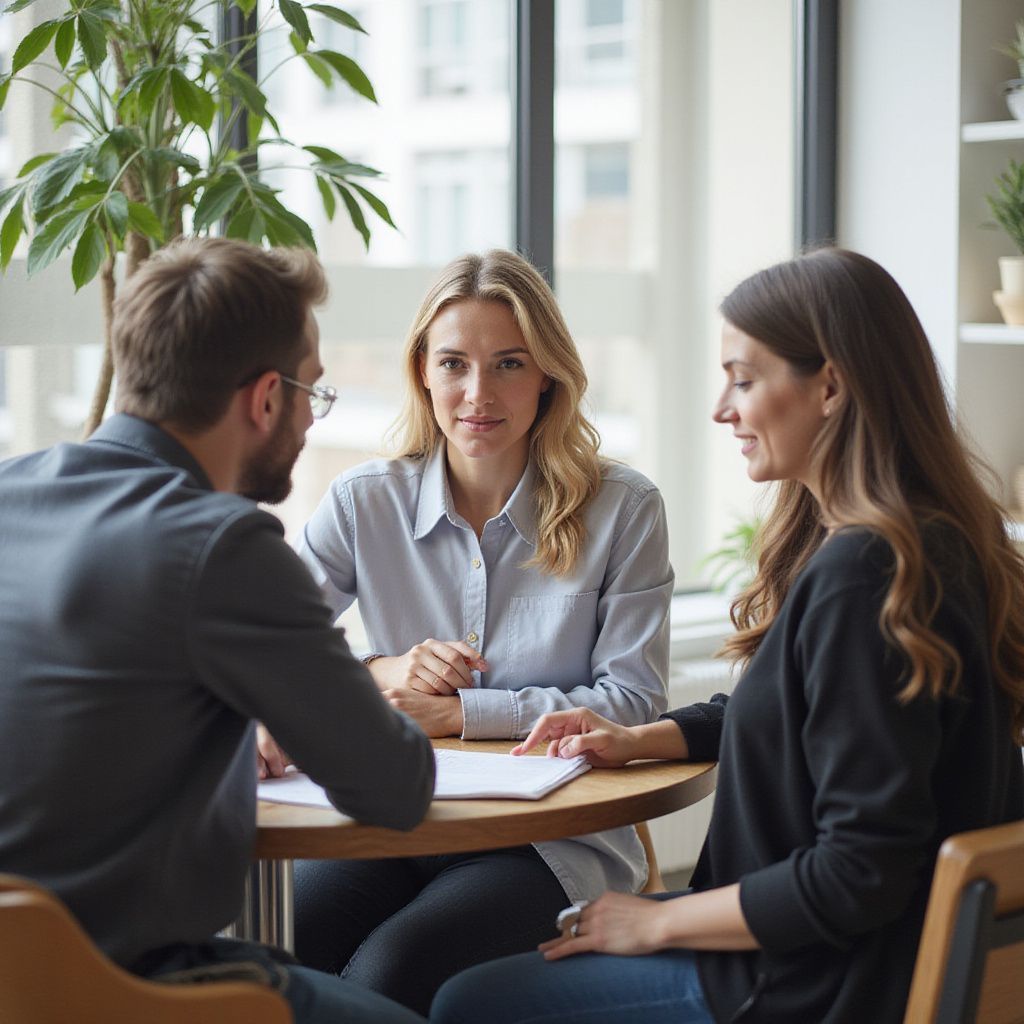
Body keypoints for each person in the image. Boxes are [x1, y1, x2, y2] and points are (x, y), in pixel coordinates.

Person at [429, 247, 1024, 1024]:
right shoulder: (933, 543)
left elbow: (858, 870)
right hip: (852, 958)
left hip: (802, 984)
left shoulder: (863, 576)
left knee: (470, 1003)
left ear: (831, 388)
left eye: (744, 378)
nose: (722, 408)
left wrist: (656, 920)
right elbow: (808, 719)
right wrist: (640, 737)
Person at [0, 237, 436, 1024]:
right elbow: (396, 789)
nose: (311, 416)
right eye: (312, 392)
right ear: (265, 397)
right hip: (119, 987)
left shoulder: (11, 494)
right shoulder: (220, 545)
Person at [257, 248, 674, 1014]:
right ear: (422, 372)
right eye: (454, 363)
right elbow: (269, 647)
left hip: (549, 843)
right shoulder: (363, 503)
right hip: (394, 821)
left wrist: (459, 713)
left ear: (548, 373)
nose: (478, 393)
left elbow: (634, 701)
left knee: (390, 973)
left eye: (509, 363)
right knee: (275, 954)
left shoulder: (624, 509)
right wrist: (383, 672)